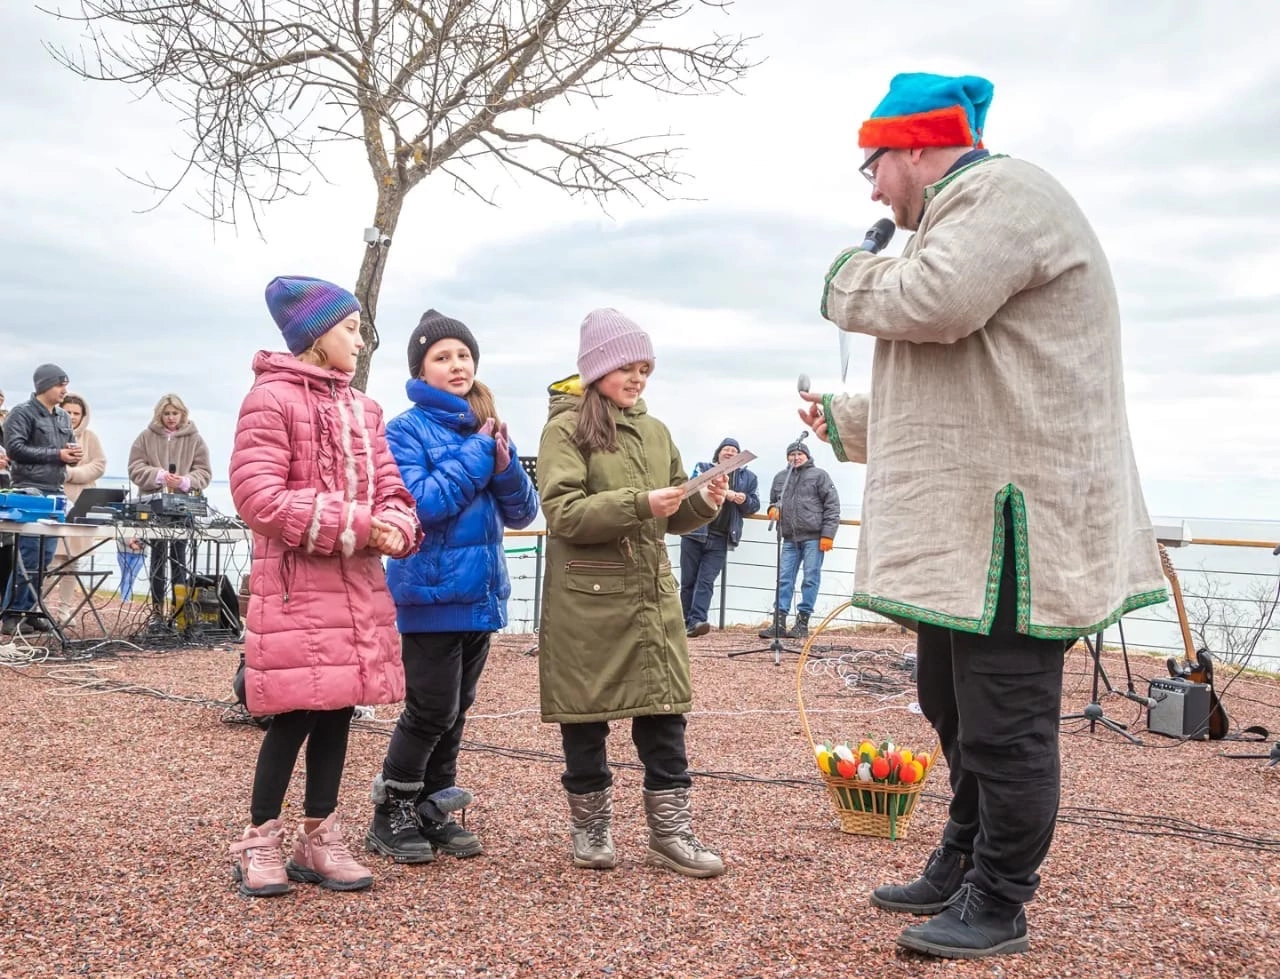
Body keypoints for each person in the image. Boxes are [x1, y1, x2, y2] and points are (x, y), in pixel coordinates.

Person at [803, 72, 1166, 959]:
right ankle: (963, 860)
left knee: (1006, 725)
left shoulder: (1005, 194)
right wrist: (847, 419)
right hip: (975, 528)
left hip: (1019, 530)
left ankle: (1001, 900)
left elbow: (934, 304)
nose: (875, 188)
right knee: (950, 705)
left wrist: (846, 276)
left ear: (917, 147)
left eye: (875, 166)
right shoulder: (968, 214)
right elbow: (962, 377)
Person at [228, 275, 421, 897]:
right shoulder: (270, 400)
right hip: (296, 587)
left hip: (353, 586)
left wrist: (396, 525)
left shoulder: (365, 410)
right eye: (351, 329)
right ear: (316, 337)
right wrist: (362, 526)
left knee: (339, 707)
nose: (361, 342)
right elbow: (258, 497)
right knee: (294, 712)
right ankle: (260, 840)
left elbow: (392, 489)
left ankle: (319, 836)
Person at [537, 308, 729, 878]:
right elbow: (562, 512)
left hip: (649, 597)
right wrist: (641, 503)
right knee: (585, 718)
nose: (638, 378)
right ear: (597, 369)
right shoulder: (563, 428)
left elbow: (670, 517)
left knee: (665, 717)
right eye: (628, 366)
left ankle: (670, 834)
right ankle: (591, 830)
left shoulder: (655, 430)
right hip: (587, 603)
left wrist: (703, 503)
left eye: (645, 368)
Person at [366, 310, 539, 864]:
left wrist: (506, 464)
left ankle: (432, 807)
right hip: (430, 594)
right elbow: (421, 506)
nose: (456, 364)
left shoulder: (482, 427)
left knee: (457, 709)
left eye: (463, 355)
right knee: (429, 710)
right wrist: (479, 455)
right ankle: (389, 810)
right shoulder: (404, 429)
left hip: (481, 595)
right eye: (442, 357)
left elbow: (523, 511)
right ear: (421, 368)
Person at [2, 364, 80, 635]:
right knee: (28, 553)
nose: (64, 390)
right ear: (45, 385)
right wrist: (56, 455)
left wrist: (71, 455)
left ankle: (32, 609)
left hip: (56, 490)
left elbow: (66, 447)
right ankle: (11, 613)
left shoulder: (62, 417)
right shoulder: (21, 413)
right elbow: (15, 448)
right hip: (29, 490)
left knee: (45, 555)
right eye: (60, 384)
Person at [127, 393, 212, 608]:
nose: (171, 417)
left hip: (183, 509)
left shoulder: (195, 438)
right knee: (156, 560)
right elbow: (135, 468)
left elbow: (204, 472)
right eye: (166, 413)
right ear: (160, 414)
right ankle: (156, 611)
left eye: (175, 413)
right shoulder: (146, 437)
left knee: (179, 560)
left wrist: (184, 481)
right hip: (153, 506)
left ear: (182, 414)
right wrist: (159, 476)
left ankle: (179, 611)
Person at [757, 440, 839, 640]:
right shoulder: (780, 478)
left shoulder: (820, 475)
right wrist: (772, 510)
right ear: (787, 458)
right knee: (784, 579)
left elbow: (832, 505)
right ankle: (779, 623)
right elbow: (774, 500)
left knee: (810, 579)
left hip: (814, 537)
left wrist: (828, 535)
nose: (796, 457)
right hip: (789, 538)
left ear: (807, 456)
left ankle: (802, 623)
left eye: (799, 454)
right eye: (791, 455)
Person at [679, 437, 759, 637]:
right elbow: (693, 488)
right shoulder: (703, 467)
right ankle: (683, 621)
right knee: (688, 580)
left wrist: (743, 499)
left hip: (721, 536)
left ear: (740, 457)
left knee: (706, 581)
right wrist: (729, 493)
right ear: (718, 453)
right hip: (694, 532)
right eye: (727, 449)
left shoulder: (749, 478)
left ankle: (697, 621)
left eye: (734, 450)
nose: (730, 453)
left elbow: (754, 505)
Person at [55, 394, 107, 616]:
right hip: (55, 503)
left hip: (81, 504)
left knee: (72, 561)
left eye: (77, 413)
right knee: (51, 560)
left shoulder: (90, 438)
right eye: (68, 412)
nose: (72, 417)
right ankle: (39, 608)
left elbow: (99, 465)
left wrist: (72, 474)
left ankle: (65, 609)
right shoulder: (51, 434)